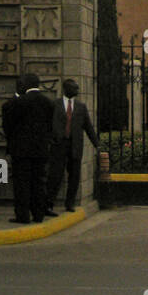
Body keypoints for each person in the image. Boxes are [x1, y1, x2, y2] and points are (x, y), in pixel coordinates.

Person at [4, 72, 54, 224]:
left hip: (21, 150)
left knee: (22, 183)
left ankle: (23, 215)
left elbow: (8, 126)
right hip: (40, 150)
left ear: (26, 84)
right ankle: (38, 214)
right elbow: (50, 127)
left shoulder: (18, 102)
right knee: (38, 182)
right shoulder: (48, 103)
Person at [45, 79, 99, 215]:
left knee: (74, 175)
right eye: (74, 88)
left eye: (77, 88)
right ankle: (48, 203)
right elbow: (46, 124)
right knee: (55, 175)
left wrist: (97, 144)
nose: (77, 90)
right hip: (59, 145)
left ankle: (70, 203)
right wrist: (50, 139)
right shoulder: (54, 105)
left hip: (75, 145)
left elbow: (88, 127)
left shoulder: (81, 107)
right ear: (65, 89)